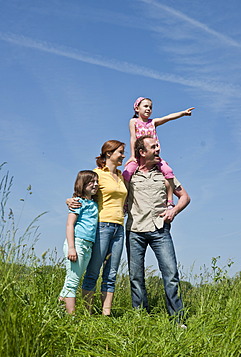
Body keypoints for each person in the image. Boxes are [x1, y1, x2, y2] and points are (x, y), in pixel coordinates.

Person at [124, 135, 190, 325]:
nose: (158, 149)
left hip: (160, 230)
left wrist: (174, 210)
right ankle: (140, 319)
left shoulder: (165, 173)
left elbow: (185, 197)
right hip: (135, 230)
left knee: (171, 275)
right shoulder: (130, 174)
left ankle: (178, 320)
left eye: (158, 145)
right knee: (136, 277)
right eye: (153, 147)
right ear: (142, 152)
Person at [67, 140, 127, 316]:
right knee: (93, 270)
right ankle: (87, 312)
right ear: (109, 154)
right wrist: (69, 200)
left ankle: (106, 313)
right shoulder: (97, 174)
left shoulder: (121, 176)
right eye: (120, 152)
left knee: (111, 273)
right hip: (102, 225)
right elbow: (81, 192)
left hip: (119, 227)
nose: (123, 155)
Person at [123, 97, 194, 207]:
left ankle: (170, 201)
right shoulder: (134, 121)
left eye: (150, 107)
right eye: (145, 106)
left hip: (154, 156)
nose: (148, 109)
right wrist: (132, 156)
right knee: (127, 174)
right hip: (138, 156)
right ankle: (125, 203)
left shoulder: (153, 122)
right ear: (137, 108)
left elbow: (168, 118)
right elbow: (133, 138)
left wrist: (183, 113)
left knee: (168, 172)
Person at [59, 170, 99, 314]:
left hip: (88, 246)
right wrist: (71, 247)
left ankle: (58, 311)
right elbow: (70, 225)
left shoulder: (94, 203)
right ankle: (72, 317)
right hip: (77, 244)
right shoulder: (78, 202)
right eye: (91, 182)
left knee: (71, 280)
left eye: (97, 181)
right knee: (73, 282)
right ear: (82, 184)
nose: (95, 184)